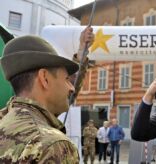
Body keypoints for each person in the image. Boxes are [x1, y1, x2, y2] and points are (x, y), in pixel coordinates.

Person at [0, 27, 94, 163]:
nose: (72, 88)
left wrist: (82, 53)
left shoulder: (5, 121)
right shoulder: (54, 146)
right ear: (44, 78)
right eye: (67, 79)